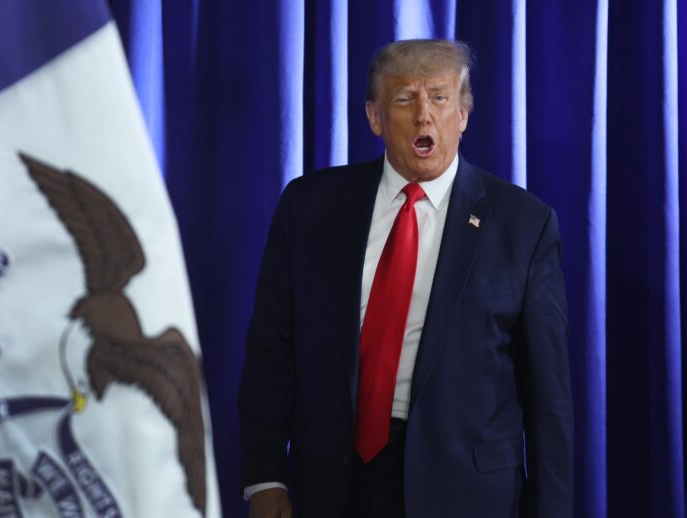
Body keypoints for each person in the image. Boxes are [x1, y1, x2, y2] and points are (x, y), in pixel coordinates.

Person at [238, 39, 574, 518]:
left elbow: (549, 398)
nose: (423, 116)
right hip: (334, 487)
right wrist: (265, 479)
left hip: (465, 494)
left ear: (462, 115)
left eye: (438, 98)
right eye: (404, 100)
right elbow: (271, 353)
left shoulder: (524, 225)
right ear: (375, 118)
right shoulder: (308, 207)